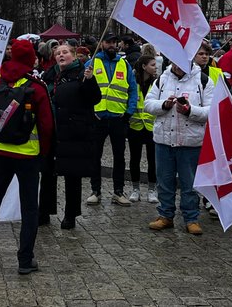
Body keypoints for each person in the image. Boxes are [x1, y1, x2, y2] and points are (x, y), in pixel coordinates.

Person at [0, 39, 54, 275]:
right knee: (30, 208)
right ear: (31, 59)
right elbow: (47, 126)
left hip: (0, 152)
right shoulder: (36, 87)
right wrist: (44, 152)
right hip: (28, 156)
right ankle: (25, 259)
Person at [144, 61, 214, 235]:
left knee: (189, 184)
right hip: (163, 140)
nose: (177, 65)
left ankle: (191, 218)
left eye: (181, 61)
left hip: (190, 142)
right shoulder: (162, 79)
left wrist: (190, 110)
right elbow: (148, 104)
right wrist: (164, 105)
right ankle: (165, 215)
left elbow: (212, 111)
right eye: (174, 61)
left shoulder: (204, 80)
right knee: (164, 181)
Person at [48, 44, 101, 229]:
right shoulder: (53, 75)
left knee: (72, 175)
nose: (61, 55)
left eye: (65, 52)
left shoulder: (82, 74)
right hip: (56, 131)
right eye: (57, 53)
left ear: (73, 56)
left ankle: (70, 214)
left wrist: (90, 80)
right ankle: (45, 211)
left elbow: (94, 98)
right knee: (50, 172)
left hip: (74, 132)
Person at [85, 32, 138, 206]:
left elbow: (132, 89)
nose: (112, 45)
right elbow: (83, 89)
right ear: (101, 44)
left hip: (118, 117)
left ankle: (118, 191)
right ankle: (95, 191)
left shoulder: (124, 64)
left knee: (119, 157)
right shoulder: (91, 63)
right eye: (108, 42)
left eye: (115, 42)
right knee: (94, 155)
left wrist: (129, 112)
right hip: (97, 117)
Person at [128, 55, 158, 203]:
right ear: (144, 67)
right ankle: (135, 189)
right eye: (153, 65)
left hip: (152, 126)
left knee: (153, 160)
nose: (155, 67)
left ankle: (152, 189)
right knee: (135, 158)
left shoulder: (158, 82)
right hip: (135, 126)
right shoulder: (133, 81)